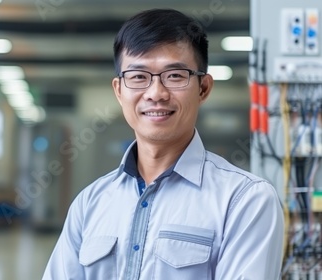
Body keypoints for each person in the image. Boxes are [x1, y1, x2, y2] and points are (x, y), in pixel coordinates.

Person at [42, 8, 284, 280]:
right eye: (138, 77)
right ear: (119, 90)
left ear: (203, 88)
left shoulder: (245, 201)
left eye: (175, 75)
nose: (156, 93)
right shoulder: (89, 204)